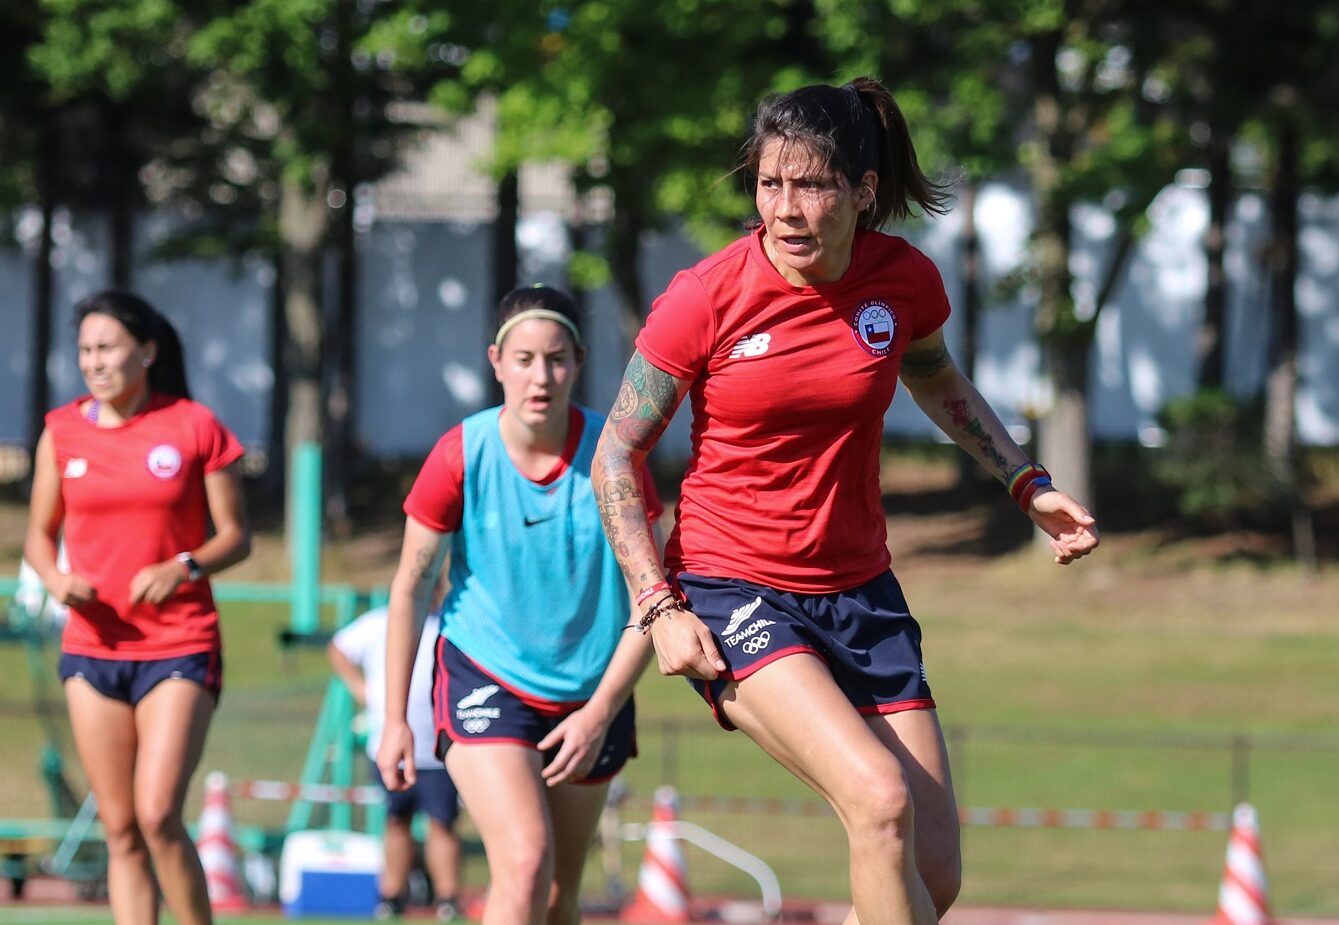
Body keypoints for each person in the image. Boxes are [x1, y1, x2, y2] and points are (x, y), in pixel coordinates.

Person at [590, 77, 1100, 925]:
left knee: (932, 877)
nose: (785, 208)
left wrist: (1025, 482)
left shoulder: (901, 281)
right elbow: (615, 453)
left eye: (811, 184)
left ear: (863, 192)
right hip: (732, 589)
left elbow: (935, 377)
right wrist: (657, 605)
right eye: (769, 183)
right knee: (877, 800)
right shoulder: (706, 294)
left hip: (862, 593)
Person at [378, 286, 663, 925]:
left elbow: (656, 598)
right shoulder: (460, 453)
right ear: (496, 362)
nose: (542, 376)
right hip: (488, 676)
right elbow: (411, 587)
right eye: (525, 359)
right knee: (525, 861)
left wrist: (600, 712)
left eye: (557, 359)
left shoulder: (616, 458)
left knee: (559, 896)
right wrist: (394, 717)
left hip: (593, 694)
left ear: (580, 361)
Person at [23, 290, 251, 925]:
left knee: (157, 814)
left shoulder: (194, 425)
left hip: (179, 642)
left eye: (109, 348)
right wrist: (54, 578)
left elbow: (235, 535)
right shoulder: (61, 431)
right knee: (120, 828)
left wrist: (184, 566)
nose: (95, 363)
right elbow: (39, 536)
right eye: (86, 351)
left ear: (146, 352)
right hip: (93, 649)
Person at [328, 581, 463, 922]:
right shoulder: (379, 622)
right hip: (391, 746)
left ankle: (447, 897)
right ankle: (392, 894)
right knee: (397, 819)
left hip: (438, 748)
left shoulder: (450, 623)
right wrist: (361, 689)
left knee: (442, 823)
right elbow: (339, 649)